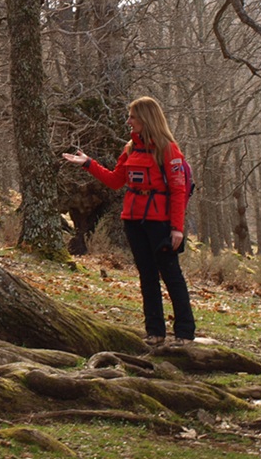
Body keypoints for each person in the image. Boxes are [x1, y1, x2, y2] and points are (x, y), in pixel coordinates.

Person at [62, 96, 195, 346]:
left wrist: (177, 228)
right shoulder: (130, 148)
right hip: (133, 220)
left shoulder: (168, 149)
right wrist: (88, 163)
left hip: (161, 222)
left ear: (146, 118)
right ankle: (154, 332)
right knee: (146, 275)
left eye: (132, 117)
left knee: (170, 274)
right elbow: (115, 181)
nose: (128, 121)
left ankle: (185, 332)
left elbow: (178, 191)